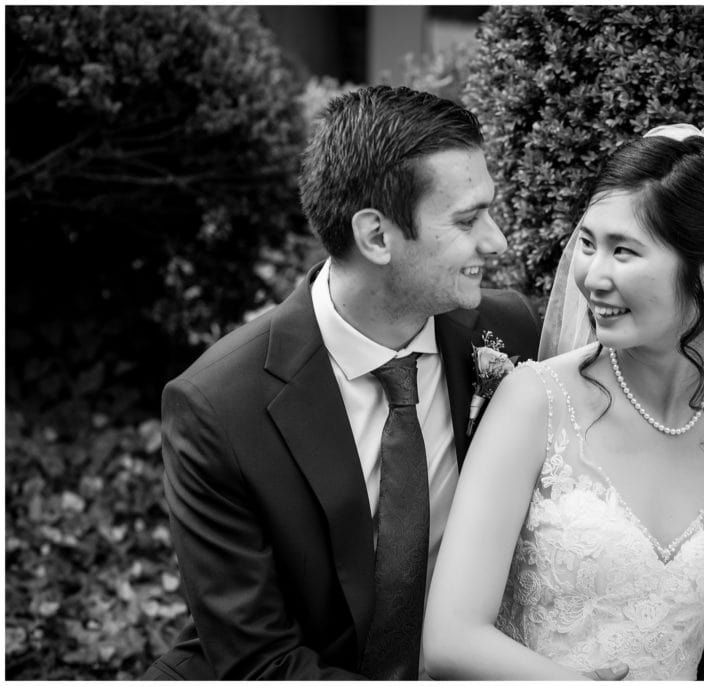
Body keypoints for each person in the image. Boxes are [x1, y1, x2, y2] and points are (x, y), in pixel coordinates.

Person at [423, 124, 704, 679]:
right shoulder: (535, 402)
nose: (594, 276)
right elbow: (450, 639)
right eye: (588, 244)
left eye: (624, 252)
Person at [142, 86, 541, 679]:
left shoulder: (510, 332)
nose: (498, 240)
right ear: (376, 236)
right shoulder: (219, 408)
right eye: (467, 219)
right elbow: (261, 661)